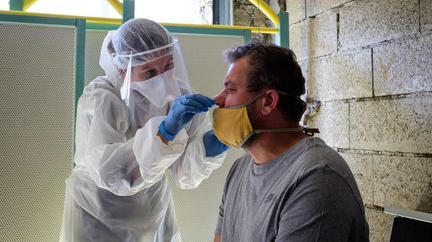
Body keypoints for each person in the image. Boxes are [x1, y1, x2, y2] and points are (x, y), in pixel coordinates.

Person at [59, 18, 228, 242]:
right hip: (99, 211)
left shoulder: (178, 94)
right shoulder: (102, 98)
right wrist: (164, 133)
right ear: (122, 69)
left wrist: (213, 144)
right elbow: (113, 175)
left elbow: (184, 175)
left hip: (153, 208)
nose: (162, 78)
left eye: (168, 65)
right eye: (149, 72)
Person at [212, 41, 369, 242]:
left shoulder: (317, 177)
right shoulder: (239, 170)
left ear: (268, 101)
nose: (218, 99)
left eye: (230, 90)